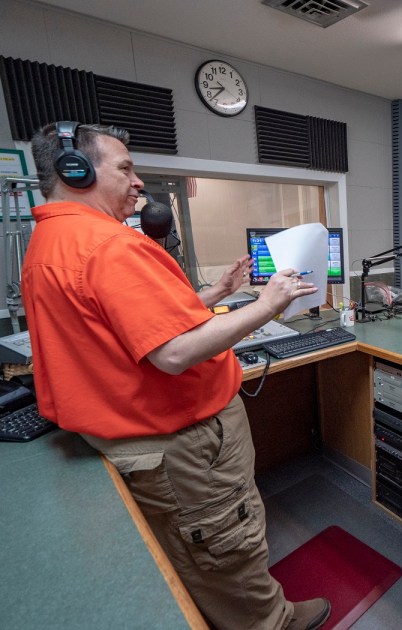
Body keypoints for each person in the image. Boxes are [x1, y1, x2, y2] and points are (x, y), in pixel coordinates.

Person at [22, 122, 330, 630]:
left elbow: (129, 324)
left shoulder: (52, 241)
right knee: (226, 539)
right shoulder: (108, 245)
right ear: (74, 171)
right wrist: (267, 304)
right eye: (125, 168)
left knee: (193, 550)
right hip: (181, 441)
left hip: (135, 438)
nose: (138, 181)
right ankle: (270, 622)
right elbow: (173, 352)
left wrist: (216, 295)